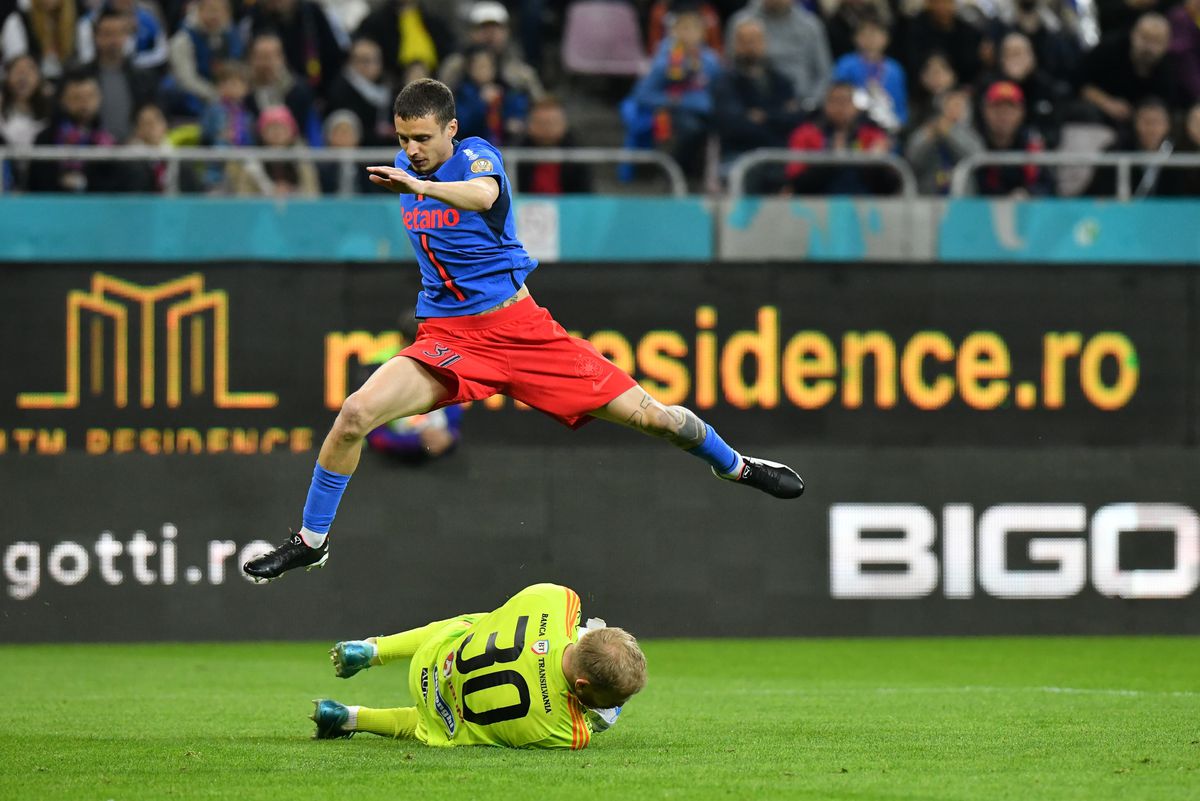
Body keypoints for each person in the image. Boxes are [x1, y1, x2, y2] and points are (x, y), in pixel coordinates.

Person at [242, 78, 803, 582]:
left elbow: (483, 198)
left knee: (656, 419)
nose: (412, 149)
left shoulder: (476, 159)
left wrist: (420, 186)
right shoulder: (407, 165)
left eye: (423, 138)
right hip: (450, 338)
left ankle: (737, 466)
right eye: (404, 138)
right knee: (354, 416)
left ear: (452, 130)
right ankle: (310, 542)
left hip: (523, 332)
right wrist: (415, 180)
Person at [309, 583, 643, 748]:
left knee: (473, 625)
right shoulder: (567, 732)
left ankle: (372, 650)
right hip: (442, 712)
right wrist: (596, 712)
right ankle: (348, 718)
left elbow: (558, 621)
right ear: (582, 686)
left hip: (434, 657)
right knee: (433, 724)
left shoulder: (556, 599)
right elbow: (577, 716)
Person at [628, 9, 721, 179]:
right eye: (683, 29)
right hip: (674, 112)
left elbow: (720, 90)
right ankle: (675, 171)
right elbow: (642, 95)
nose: (688, 35)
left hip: (707, 111)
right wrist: (673, 100)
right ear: (673, 33)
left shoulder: (710, 61)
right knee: (692, 129)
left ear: (703, 34)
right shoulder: (664, 62)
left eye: (693, 29)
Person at [711, 16, 802, 189]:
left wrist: (764, 116)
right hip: (739, 155)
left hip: (779, 155)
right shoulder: (725, 81)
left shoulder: (781, 80)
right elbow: (733, 125)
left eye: (754, 40)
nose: (749, 47)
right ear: (735, 45)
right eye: (744, 41)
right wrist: (776, 118)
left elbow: (795, 120)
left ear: (764, 43)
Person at [783, 81, 897, 195]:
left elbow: (890, 186)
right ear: (825, 104)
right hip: (818, 205)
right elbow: (796, 183)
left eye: (845, 101)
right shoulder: (805, 134)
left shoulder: (873, 136)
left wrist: (877, 164)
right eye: (834, 101)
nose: (840, 107)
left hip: (867, 206)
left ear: (855, 106)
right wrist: (831, 160)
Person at [726, 0, 832, 112]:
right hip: (753, 104)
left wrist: (810, 104)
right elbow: (731, 66)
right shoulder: (741, 23)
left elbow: (824, 73)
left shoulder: (811, 25)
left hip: (802, 103)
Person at [27, 71, 125, 192]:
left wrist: (85, 183)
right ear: (62, 100)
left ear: (100, 98)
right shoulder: (45, 139)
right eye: (76, 97)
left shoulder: (109, 141)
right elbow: (37, 184)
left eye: (90, 96)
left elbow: (115, 186)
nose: (85, 103)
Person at [1078, 13, 1178, 129]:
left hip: (1141, 125)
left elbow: (1169, 104)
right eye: (1145, 38)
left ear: (1167, 44)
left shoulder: (1169, 67)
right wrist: (1107, 103)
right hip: (1100, 115)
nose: (1149, 47)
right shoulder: (1109, 49)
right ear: (1133, 34)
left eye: (1156, 41)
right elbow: (1080, 83)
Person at [77, 8, 158, 143]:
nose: (114, 40)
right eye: (107, 34)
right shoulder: (80, 75)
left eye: (119, 33)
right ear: (95, 36)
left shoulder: (143, 77)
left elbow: (153, 112)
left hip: (133, 150)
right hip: (91, 152)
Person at [241, 0, 348, 98]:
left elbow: (334, 58)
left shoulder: (311, 14)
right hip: (270, 92)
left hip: (317, 90)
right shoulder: (255, 16)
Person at [438, 1, 542, 101]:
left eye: (495, 29)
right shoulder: (454, 67)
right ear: (471, 32)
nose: (489, 35)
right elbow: (439, 105)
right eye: (483, 28)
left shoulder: (522, 73)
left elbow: (539, 104)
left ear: (507, 32)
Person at [1085, 96, 1180, 196]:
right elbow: (1100, 192)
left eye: (1157, 122)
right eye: (1146, 121)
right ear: (1135, 123)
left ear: (1168, 125)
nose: (1152, 129)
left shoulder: (1179, 153)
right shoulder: (1117, 150)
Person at [164, 0, 244, 117]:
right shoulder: (183, 39)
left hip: (227, 97)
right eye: (211, 10)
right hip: (193, 99)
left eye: (220, 10)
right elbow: (185, 79)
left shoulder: (233, 37)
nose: (215, 15)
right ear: (199, 10)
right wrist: (216, 95)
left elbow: (237, 70)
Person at [973, 80, 1053, 196]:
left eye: (1010, 108)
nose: (1003, 114)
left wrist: (1028, 193)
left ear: (1021, 112)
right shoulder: (973, 141)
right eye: (997, 107)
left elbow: (1048, 185)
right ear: (985, 111)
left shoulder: (1032, 142)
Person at [832, 15, 907, 131]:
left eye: (875, 34)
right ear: (856, 38)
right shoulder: (845, 64)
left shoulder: (895, 70)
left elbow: (900, 107)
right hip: (852, 126)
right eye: (865, 34)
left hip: (887, 128)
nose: (870, 39)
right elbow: (837, 98)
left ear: (886, 38)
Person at [905, 88, 983, 194]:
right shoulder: (927, 130)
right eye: (950, 105)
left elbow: (977, 158)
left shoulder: (971, 133)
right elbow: (912, 158)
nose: (955, 110)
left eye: (959, 105)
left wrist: (949, 134)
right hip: (928, 197)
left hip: (963, 197)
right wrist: (929, 138)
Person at [514, 95, 594, 195]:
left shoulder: (579, 157)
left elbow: (585, 197)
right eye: (541, 123)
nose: (546, 129)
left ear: (564, 124)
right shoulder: (514, 155)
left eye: (552, 123)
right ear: (530, 125)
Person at [453, 44, 528, 145]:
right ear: (469, 69)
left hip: (505, 146)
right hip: (473, 148)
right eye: (479, 66)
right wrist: (481, 103)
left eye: (488, 65)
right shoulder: (461, 93)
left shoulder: (507, 89)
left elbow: (518, 114)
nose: (484, 70)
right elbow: (462, 124)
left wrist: (510, 121)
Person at [324, 37, 393, 145]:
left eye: (376, 60)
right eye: (366, 60)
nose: (372, 66)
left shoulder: (387, 86)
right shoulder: (342, 90)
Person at [0, 0, 81, 83]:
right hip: (31, 85)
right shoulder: (18, 20)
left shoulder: (74, 22)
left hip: (64, 84)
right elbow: (16, 66)